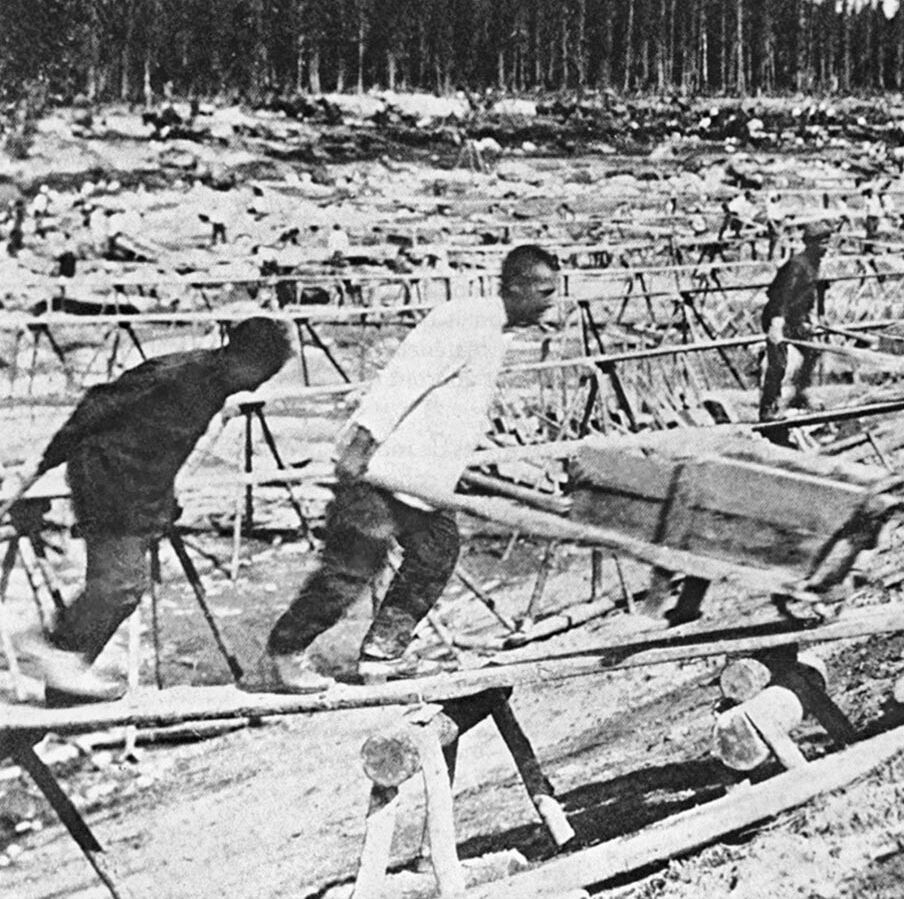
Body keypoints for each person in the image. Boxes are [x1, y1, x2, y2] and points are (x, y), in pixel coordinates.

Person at [256, 244, 560, 692]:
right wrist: (362, 440)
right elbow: (403, 379)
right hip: (380, 472)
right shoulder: (464, 321)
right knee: (352, 569)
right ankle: (284, 652)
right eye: (544, 291)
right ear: (515, 286)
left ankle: (382, 653)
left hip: (419, 480)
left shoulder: (498, 331)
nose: (551, 301)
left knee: (437, 550)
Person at [16, 318, 293, 704]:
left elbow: (164, 443)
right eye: (265, 372)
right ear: (246, 357)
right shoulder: (180, 373)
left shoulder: (214, 384)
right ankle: (56, 651)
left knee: (124, 585)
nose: (261, 383)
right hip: (109, 477)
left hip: (139, 485)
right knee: (122, 585)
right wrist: (44, 463)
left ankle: (64, 667)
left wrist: (163, 499)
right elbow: (97, 405)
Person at [757, 219, 835, 422]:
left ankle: (800, 393)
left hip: (796, 319)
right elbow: (781, 295)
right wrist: (777, 324)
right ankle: (768, 408)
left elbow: (813, 291)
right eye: (822, 243)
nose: (826, 247)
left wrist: (815, 315)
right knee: (778, 364)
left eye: (828, 242)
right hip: (778, 317)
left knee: (812, 351)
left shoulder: (814, 264)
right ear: (811, 243)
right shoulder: (797, 265)